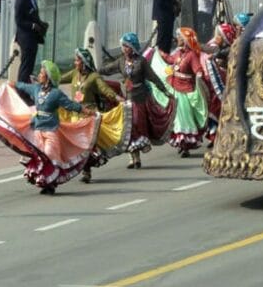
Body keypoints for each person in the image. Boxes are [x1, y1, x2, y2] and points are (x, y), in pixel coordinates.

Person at [0, 60, 99, 194]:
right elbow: (23, 86)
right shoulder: (36, 89)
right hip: (37, 132)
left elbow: (71, 105)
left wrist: (89, 112)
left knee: (50, 156)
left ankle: (51, 184)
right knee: (40, 158)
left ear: (48, 77)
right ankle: (46, 184)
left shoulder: (56, 94)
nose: (39, 75)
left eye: (42, 73)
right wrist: (11, 84)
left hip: (51, 133)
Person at [102, 32, 174, 169]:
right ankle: (133, 158)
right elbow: (107, 69)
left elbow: (153, 77)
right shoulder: (121, 61)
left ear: (133, 47)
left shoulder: (141, 62)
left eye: (126, 46)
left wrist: (165, 91)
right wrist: (94, 71)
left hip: (140, 100)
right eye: (123, 46)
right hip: (128, 100)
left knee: (137, 125)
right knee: (129, 127)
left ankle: (136, 156)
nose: (124, 49)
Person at [60, 48, 127, 183]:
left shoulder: (93, 77)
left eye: (77, 60)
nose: (75, 63)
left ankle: (86, 171)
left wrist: (118, 98)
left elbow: (105, 90)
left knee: (85, 145)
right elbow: (58, 79)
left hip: (88, 116)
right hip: (75, 116)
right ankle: (78, 168)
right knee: (76, 145)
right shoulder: (74, 74)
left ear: (84, 62)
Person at [150, 27, 210, 157]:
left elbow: (197, 69)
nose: (177, 39)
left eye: (180, 37)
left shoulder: (192, 55)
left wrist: (200, 76)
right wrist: (160, 54)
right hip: (174, 87)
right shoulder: (178, 53)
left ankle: (185, 145)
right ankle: (182, 143)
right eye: (178, 37)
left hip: (185, 90)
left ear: (186, 40)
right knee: (176, 118)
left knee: (184, 118)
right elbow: (171, 60)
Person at [14, 0, 46, 85]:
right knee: (26, 65)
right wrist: (32, 25)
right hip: (26, 37)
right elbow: (19, 20)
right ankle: (21, 88)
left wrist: (40, 24)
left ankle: (26, 87)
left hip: (33, 37)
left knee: (30, 64)